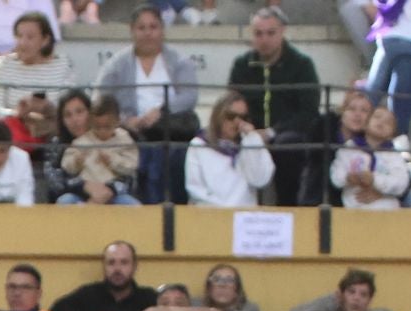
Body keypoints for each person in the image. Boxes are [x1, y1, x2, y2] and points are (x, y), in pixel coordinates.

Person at [95, 5, 199, 202]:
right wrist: (125, 121)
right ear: (132, 31)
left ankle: (170, 206)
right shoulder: (116, 64)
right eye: (141, 28)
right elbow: (101, 99)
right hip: (131, 130)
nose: (148, 33)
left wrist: (161, 111)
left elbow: (190, 96)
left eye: (153, 27)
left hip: (168, 128)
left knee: (169, 152)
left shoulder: (179, 61)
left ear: (162, 30)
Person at [227, 6, 320, 206]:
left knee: (289, 145)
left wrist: (270, 132)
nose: (265, 39)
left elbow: (308, 112)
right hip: (248, 133)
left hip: (288, 135)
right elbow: (231, 104)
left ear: (282, 32)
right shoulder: (241, 65)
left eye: (271, 33)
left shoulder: (302, 65)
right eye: (258, 33)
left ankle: (290, 209)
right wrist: (249, 130)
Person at [0, 11, 72, 152]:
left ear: (45, 40)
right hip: (10, 135)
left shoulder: (62, 65)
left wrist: (45, 108)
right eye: (19, 36)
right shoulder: (3, 64)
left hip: (49, 133)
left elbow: (68, 108)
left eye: (30, 37)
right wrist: (17, 113)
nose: (22, 43)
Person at [186, 91, 275, 207]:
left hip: (243, 216)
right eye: (231, 116)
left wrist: (252, 139)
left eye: (243, 117)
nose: (237, 122)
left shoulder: (249, 144)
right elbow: (195, 188)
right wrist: (223, 210)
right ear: (219, 116)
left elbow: (260, 180)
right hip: (210, 214)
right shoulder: (199, 144)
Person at [367, 0, 411, 139]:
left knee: (375, 87)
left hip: (385, 39)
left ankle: (360, 131)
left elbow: (373, 7)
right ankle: (400, 135)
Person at [56, 92, 139, 204]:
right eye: (97, 127)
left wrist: (112, 161)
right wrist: (77, 161)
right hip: (84, 194)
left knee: (131, 204)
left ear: (117, 121)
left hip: (115, 194)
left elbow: (131, 166)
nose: (102, 131)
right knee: (65, 201)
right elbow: (65, 166)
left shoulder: (124, 139)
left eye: (80, 112)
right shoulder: (82, 141)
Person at [49, 241, 157, 311]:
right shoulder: (88, 295)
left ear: (134, 266)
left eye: (124, 262)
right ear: (104, 266)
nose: (117, 269)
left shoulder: (148, 297)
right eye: (111, 263)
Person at [330, 104, 410, 209]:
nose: (381, 122)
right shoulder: (349, 148)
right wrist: (347, 178)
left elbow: (401, 182)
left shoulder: (394, 155)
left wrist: (375, 180)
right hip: (353, 211)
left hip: (386, 211)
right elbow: (336, 173)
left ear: (392, 134)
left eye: (388, 122)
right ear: (365, 124)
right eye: (377, 117)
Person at [306, 87, 374, 205]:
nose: (357, 114)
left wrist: (379, 192)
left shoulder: (374, 138)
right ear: (342, 111)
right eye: (352, 109)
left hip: (360, 201)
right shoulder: (323, 129)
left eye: (364, 111)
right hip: (323, 198)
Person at [136, 262, 260, 311]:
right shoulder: (195, 303)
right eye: (217, 279)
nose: (222, 285)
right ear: (209, 287)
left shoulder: (250, 308)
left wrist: (169, 310)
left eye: (229, 280)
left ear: (237, 289)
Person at [289, 267, 397, 311]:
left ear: (369, 300)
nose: (356, 298)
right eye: (351, 292)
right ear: (342, 294)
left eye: (363, 295)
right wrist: (332, 299)